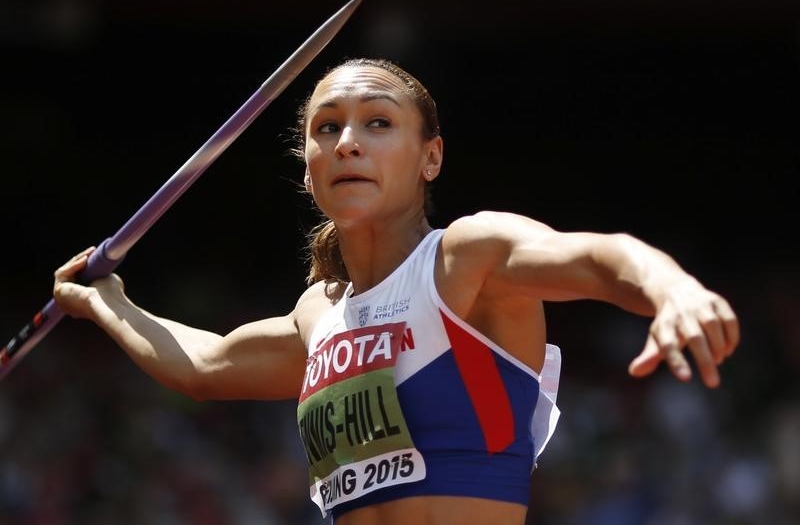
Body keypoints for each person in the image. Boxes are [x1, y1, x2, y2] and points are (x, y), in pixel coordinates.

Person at [53, 57, 740, 524]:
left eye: (378, 123)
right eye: (328, 128)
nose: (349, 142)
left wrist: (671, 289)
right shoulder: (319, 312)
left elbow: (596, 257)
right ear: (309, 167)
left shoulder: (465, 261)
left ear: (430, 157)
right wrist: (105, 302)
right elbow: (203, 368)